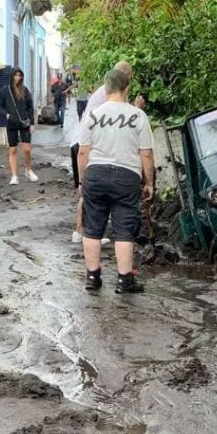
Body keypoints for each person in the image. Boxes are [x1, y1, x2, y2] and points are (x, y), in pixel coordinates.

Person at [77, 66, 155, 295]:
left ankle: (92, 278)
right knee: (123, 231)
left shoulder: (93, 115)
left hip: (96, 175)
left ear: (107, 88)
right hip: (126, 178)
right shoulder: (138, 116)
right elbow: (146, 154)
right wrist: (148, 182)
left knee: (92, 228)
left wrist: (83, 182)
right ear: (126, 88)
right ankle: (124, 281)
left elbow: (83, 152)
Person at [69, 60, 144, 243]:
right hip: (85, 143)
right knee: (86, 188)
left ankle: (85, 232)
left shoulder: (103, 91)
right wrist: (137, 108)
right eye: (129, 79)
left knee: (88, 189)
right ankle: (82, 231)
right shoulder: (110, 94)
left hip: (82, 141)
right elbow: (123, 118)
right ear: (124, 77)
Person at [0, 67, 38, 185]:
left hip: (24, 122)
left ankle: (28, 170)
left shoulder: (25, 90)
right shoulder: (4, 91)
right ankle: (14, 176)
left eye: (20, 75)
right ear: (11, 76)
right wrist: (7, 115)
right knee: (13, 149)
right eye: (15, 75)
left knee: (27, 149)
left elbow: (30, 107)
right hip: (11, 123)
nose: (18, 78)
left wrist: (32, 123)